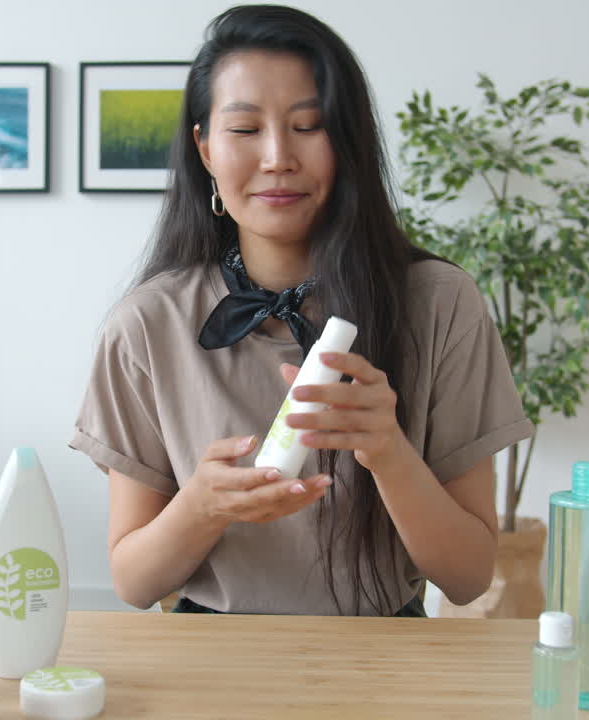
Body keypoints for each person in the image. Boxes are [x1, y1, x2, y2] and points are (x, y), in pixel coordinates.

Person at [70, 4, 533, 616]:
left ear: (348, 143)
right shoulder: (147, 325)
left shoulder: (440, 305)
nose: (277, 156)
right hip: (212, 663)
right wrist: (201, 506)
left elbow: (469, 576)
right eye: (243, 131)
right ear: (204, 149)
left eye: (309, 125)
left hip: (385, 661)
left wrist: (388, 451)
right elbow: (134, 583)